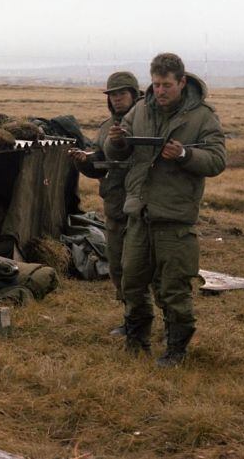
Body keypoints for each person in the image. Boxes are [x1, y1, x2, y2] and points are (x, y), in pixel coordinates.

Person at [105, 53, 226, 367]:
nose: (160, 91)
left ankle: (176, 350)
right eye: (156, 84)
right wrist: (117, 141)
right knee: (131, 281)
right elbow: (116, 152)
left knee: (173, 287)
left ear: (182, 82)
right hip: (139, 213)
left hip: (174, 218)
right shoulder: (140, 110)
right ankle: (136, 340)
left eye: (167, 85)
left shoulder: (202, 117)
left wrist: (185, 154)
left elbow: (216, 160)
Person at [69, 71, 141, 336]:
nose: (117, 98)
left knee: (145, 267)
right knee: (119, 266)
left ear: (135, 94)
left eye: (122, 93)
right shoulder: (105, 127)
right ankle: (131, 318)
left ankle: (158, 321)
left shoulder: (146, 122)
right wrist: (84, 162)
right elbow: (101, 166)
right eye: (113, 94)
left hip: (144, 207)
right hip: (115, 206)